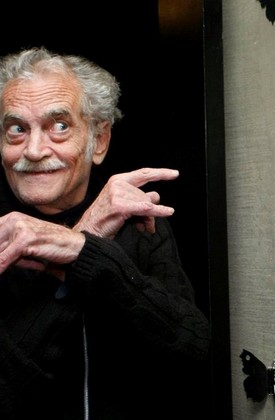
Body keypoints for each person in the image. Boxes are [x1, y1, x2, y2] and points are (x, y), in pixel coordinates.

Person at [0, 47, 211, 419]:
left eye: (59, 126)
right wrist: (90, 233)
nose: (33, 150)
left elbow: (191, 350)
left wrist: (85, 251)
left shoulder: (137, 220)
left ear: (98, 140)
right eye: (16, 129)